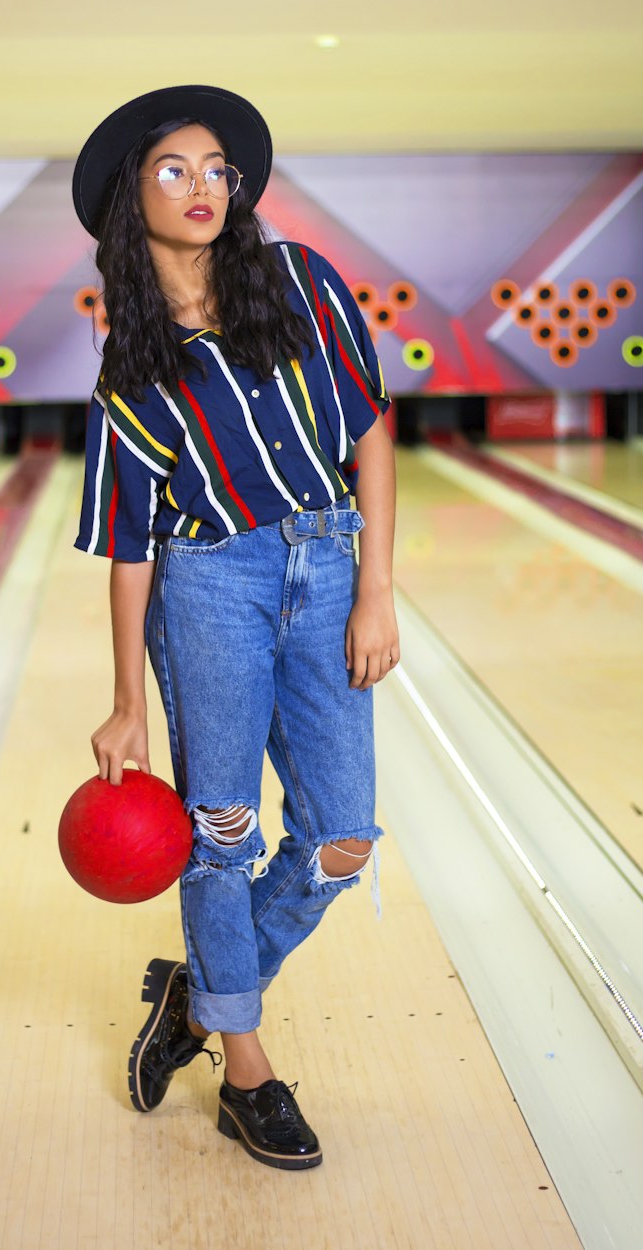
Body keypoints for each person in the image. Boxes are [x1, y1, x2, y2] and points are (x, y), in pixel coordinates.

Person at [72, 85, 399, 1171]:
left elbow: (370, 429)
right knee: (222, 833)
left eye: (216, 168)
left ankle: (199, 998)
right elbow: (128, 547)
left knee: (341, 836)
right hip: (207, 582)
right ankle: (246, 1071)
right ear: (133, 196)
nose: (203, 186)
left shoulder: (300, 279)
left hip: (328, 555)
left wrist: (377, 587)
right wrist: (126, 700)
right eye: (174, 169)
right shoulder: (130, 367)